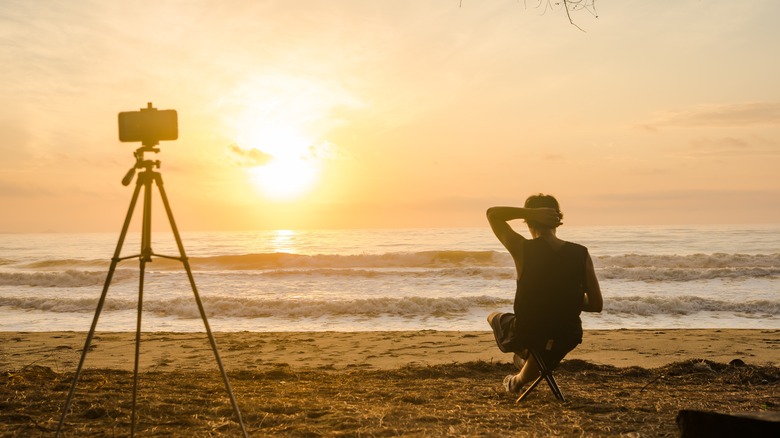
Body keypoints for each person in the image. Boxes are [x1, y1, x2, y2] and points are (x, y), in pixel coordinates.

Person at [486, 194, 603, 394]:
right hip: (567, 334)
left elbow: (492, 214)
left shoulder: (522, 248)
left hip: (529, 331)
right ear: (558, 219)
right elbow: (595, 305)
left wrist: (530, 212)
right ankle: (521, 371)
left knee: (493, 317)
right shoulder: (580, 253)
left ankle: (524, 356)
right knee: (547, 342)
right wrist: (566, 298)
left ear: (529, 220)